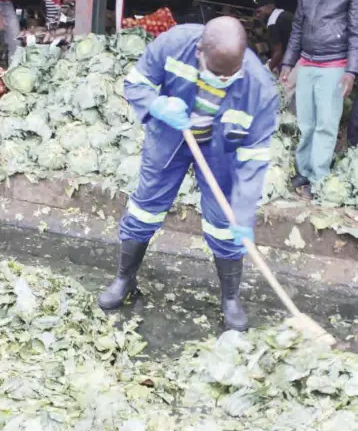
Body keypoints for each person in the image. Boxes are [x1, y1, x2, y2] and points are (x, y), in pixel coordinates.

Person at [97, 17, 278, 332]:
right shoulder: (173, 44)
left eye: (230, 76)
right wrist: (156, 104)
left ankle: (230, 298)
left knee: (225, 223)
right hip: (170, 135)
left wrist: (244, 213)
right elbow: (135, 83)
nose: (223, 80)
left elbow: (254, 159)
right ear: (199, 52)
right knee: (145, 208)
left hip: (222, 151)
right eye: (216, 73)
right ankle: (124, 279)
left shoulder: (260, 89)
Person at [280, 0, 358, 198]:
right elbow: (297, 27)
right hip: (307, 62)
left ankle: (318, 177)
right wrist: (288, 61)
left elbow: (355, 32)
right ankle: (304, 171)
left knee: (326, 124)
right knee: (306, 123)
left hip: (335, 64)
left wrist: (351, 71)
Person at [254, 0, 293, 75]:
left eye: (259, 11)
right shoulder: (283, 14)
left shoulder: (273, 21)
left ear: (269, 6)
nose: (257, 15)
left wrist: (267, 69)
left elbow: (278, 51)